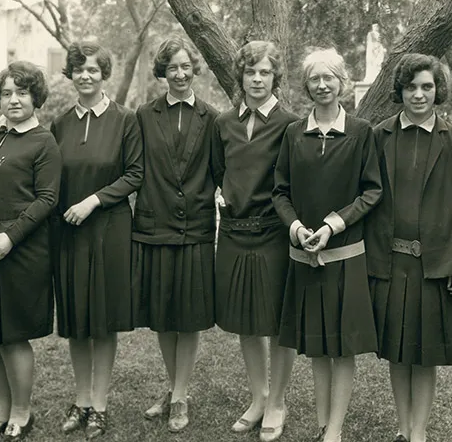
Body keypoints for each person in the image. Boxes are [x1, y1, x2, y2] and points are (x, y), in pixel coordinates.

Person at [273, 48, 381, 442]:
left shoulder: (361, 132)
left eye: (329, 78)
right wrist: (297, 227)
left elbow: (372, 192)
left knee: (342, 350)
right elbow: (280, 192)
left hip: (345, 257)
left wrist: (334, 225)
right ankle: (323, 425)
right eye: (315, 79)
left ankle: (335, 429)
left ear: (342, 83)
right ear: (307, 85)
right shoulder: (292, 133)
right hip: (305, 256)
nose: (322, 86)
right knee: (317, 348)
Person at [365, 54, 452, 442]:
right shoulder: (381, 135)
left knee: (424, 354)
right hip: (391, 261)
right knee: (397, 349)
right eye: (411, 87)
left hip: (435, 264)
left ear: (437, 89)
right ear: (401, 91)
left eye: (427, 86)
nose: (419, 94)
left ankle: (420, 431)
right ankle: (403, 427)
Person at [51, 41, 143, 439]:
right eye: (78, 69)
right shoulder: (59, 124)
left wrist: (93, 200)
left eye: (93, 69)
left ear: (104, 74)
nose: (85, 76)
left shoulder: (125, 120)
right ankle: (82, 400)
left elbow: (135, 174)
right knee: (76, 320)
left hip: (110, 229)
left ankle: (100, 405)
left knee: (102, 321)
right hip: (69, 233)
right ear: (70, 75)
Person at [211, 41, 298, 441]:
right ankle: (259, 398)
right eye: (251, 72)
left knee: (277, 322)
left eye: (265, 72)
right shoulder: (224, 122)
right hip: (233, 234)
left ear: (275, 77)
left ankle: (277, 402)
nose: (258, 79)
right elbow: (218, 170)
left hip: (273, 235)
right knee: (247, 321)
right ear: (240, 77)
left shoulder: (291, 124)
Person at [135, 35, 218, 433]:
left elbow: (220, 173)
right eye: (173, 68)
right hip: (155, 226)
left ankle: (180, 394)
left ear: (194, 70)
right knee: (163, 317)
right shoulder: (144, 115)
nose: (181, 74)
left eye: (186, 67)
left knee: (188, 317)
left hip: (196, 227)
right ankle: (174, 387)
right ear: (162, 73)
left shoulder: (212, 117)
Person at [0, 61, 60, 440]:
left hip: (23, 248)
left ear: (35, 97)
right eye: (7, 93)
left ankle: (23, 414)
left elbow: (47, 199)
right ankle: (3, 408)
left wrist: (10, 238)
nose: (13, 100)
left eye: (22, 92)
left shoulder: (44, 141)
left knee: (15, 334)